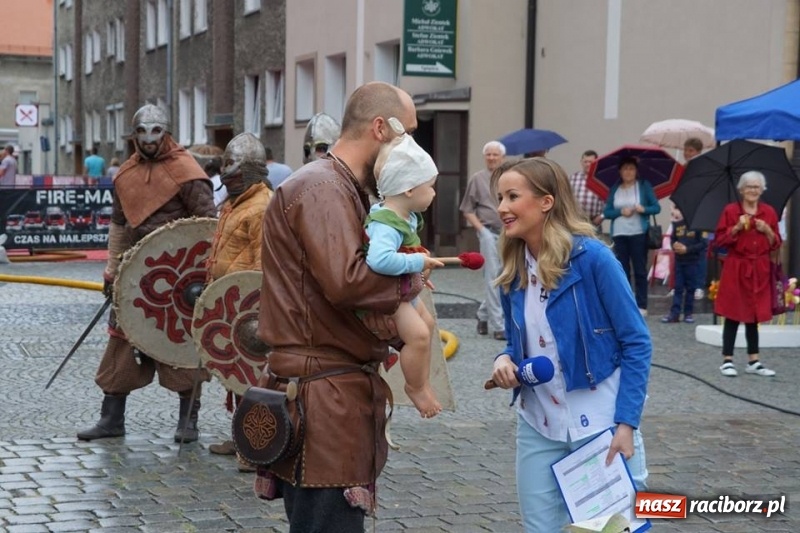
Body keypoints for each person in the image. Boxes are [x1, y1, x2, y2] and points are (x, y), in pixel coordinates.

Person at [255, 81, 424, 530]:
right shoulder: (322, 188)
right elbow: (347, 282)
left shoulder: (341, 186)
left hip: (330, 396)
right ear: (380, 128)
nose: (411, 146)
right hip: (321, 400)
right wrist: (412, 279)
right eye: (407, 133)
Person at [489, 157, 650, 533]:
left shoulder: (594, 259)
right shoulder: (513, 267)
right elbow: (520, 344)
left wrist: (626, 424)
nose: (502, 208)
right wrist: (503, 358)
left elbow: (637, 342)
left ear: (546, 202)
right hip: (537, 426)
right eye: (500, 198)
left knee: (611, 530)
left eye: (513, 196)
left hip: (600, 427)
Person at [77, 104, 216, 442]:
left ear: (165, 132)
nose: (149, 139)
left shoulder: (187, 172)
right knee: (120, 343)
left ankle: (188, 422)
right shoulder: (125, 174)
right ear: (134, 134)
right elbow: (119, 226)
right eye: (142, 132)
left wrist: (206, 276)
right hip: (136, 274)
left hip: (180, 277)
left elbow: (209, 227)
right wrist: (112, 270)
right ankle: (111, 419)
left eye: (155, 132)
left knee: (181, 346)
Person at [204, 132, 273, 469]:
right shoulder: (236, 203)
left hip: (249, 306)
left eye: (233, 169)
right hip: (231, 302)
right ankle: (240, 439)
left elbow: (264, 263)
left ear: (250, 172)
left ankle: (254, 449)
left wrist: (257, 306)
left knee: (253, 379)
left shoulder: (261, 207)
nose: (226, 176)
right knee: (237, 379)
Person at [366, 133, 443, 418]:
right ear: (409, 189)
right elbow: (379, 259)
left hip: (402, 291)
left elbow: (406, 252)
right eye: (430, 187)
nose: (434, 193)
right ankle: (414, 387)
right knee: (419, 336)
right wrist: (416, 262)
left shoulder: (404, 218)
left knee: (429, 324)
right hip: (390, 297)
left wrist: (419, 274)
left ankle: (422, 380)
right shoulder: (386, 224)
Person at [713, 171, 780, 378]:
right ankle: (727, 359)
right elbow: (719, 242)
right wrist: (736, 228)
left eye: (757, 187)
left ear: (762, 190)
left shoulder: (768, 212)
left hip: (759, 267)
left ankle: (754, 360)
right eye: (749, 187)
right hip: (737, 266)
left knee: (754, 313)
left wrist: (767, 230)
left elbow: (777, 243)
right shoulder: (731, 211)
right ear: (741, 190)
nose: (753, 190)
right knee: (733, 312)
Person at [460, 140, 506, 339]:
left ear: (502, 157)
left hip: (507, 232)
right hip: (486, 231)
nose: (492, 158)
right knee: (493, 276)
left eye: (495, 154)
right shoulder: (477, 179)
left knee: (504, 275)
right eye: (488, 154)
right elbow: (467, 209)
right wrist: (482, 231)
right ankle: (498, 326)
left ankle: (482, 315)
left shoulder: (508, 178)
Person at [603, 156, 661, 316]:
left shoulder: (643, 186)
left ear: (636, 171)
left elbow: (656, 207)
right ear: (620, 171)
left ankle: (642, 305)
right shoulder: (615, 188)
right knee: (622, 270)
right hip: (619, 233)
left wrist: (643, 209)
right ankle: (626, 304)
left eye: (631, 168)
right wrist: (620, 212)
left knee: (640, 270)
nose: (628, 172)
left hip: (638, 233)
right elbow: (607, 212)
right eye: (625, 169)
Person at [661, 203, 705, 323]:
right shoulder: (677, 224)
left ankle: (688, 313)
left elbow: (703, 244)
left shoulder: (698, 226)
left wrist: (688, 249)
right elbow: (673, 239)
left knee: (691, 288)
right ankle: (674, 313)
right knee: (678, 287)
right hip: (679, 261)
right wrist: (674, 245)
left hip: (692, 261)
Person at [683, 137, 709, 300]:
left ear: (698, 152)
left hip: (701, 211)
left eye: (690, 151)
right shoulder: (685, 167)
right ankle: (684, 284)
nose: (686, 153)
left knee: (700, 248)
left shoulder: (704, 167)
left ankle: (699, 285)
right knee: (685, 246)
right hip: (686, 211)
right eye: (686, 150)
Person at [568, 149, 604, 230]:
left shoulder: (601, 180)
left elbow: (608, 201)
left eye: (590, 162)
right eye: (585, 162)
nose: (587, 164)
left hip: (594, 223)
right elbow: (566, 197)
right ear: (581, 162)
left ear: (596, 162)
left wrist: (602, 216)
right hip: (576, 221)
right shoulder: (573, 178)